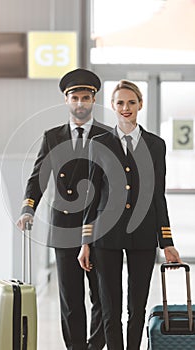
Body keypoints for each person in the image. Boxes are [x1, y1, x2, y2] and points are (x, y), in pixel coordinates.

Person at [78, 80, 182, 350]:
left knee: (137, 307)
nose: (126, 108)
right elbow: (92, 197)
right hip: (105, 235)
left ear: (140, 105)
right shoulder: (97, 143)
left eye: (131, 102)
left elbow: (158, 195)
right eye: (120, 103)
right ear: (112, 106)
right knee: (111, 309)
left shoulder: (156, 145)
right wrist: (85, 242)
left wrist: (166, 241)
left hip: (144, 233)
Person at [17, 68, 111, 350]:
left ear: (93, 100)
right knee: (70, 298)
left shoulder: (107, 136)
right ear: (66, 101)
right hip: (64, 227)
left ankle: (95, 346)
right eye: (75, 98)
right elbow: (38, 177)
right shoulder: (52, 137)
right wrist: (28, 209)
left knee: (102, 297)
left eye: (85, 97)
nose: (80, 103)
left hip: (99, 225)